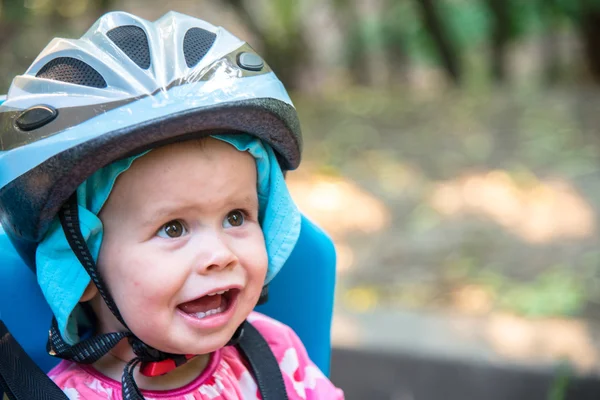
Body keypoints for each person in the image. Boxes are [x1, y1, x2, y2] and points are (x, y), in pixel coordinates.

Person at [0, 10, 344, 400]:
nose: (220, 254)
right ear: (79, 266)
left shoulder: (277, 357)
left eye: (236, 217)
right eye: (174, 228)